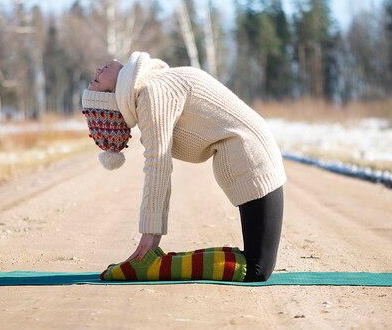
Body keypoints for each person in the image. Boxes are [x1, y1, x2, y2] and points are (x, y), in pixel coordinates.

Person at [82, 51, 286, 282]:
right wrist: (151, 234)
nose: (98, 70)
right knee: (256, 268)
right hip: (251, 157)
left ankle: (152, 266)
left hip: (252, 154)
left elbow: (158, 162)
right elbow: (158, 164)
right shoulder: (150, 94)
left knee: (256, 267)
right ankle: (151, 266)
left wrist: (152, 232)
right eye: (97, 81)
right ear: (113, 98)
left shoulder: (153, 86)